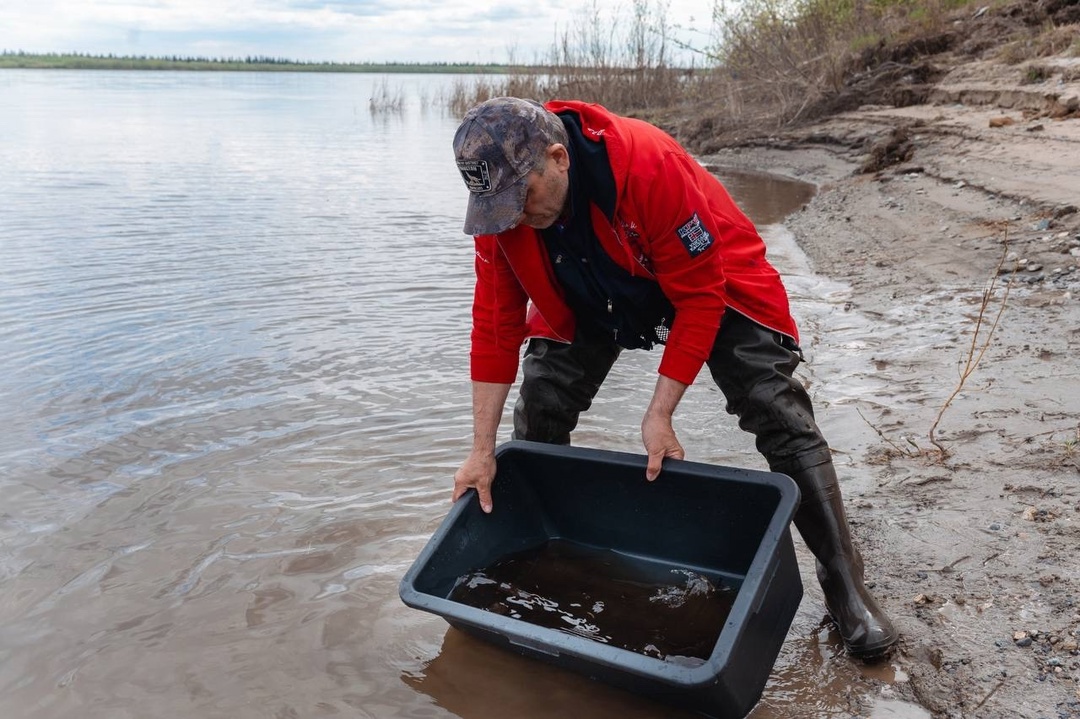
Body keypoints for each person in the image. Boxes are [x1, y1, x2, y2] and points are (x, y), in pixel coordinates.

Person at [448, 96, 898, 660]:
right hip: (593, 287)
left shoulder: (646, 164)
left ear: (559, 158)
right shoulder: (502, 211)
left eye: (523, 198)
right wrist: (481, 450)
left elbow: (701, 295)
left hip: (707, 276)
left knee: (773, 405)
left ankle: (844, 585)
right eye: (498, 207)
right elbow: (494, 326)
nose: (512, 215)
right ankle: (542, 556)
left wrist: (660, 412)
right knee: (542, 399)